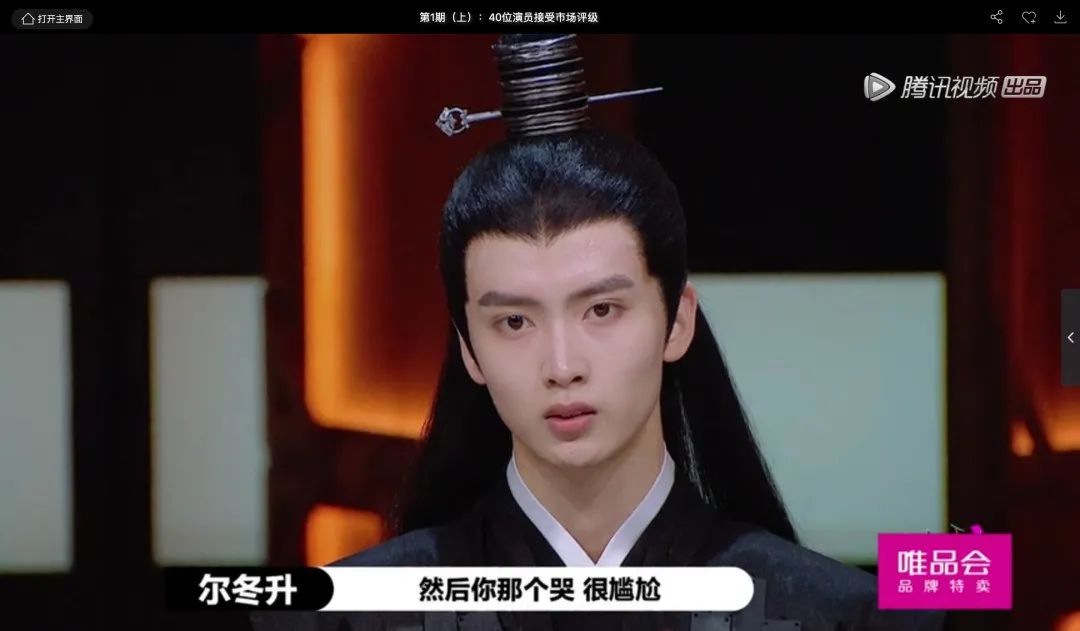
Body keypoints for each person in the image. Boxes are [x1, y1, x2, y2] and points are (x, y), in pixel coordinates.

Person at [252, 34, 946, 631]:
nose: (562, 365)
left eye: (602, 310)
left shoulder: (838, 614)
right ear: (469, 349)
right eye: (514, 321)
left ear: (677, 320)